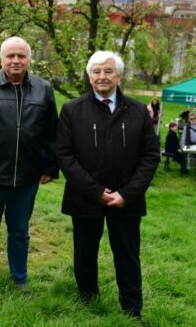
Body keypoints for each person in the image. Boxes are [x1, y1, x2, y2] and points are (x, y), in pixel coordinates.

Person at [56, 51, 159, 319]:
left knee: (128, 256)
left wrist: (127, 194)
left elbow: (150, 156)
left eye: (108, 71)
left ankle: (132, 310)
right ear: (89, 77)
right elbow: (65, 156)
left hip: (127, 200)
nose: (102, 76)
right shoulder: (72, 110)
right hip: (85, 198)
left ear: (119, 76)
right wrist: (96, 191)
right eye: (97, 71)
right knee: (85, 253)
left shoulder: (138, 110)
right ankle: (88, 303)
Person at [0, 36, 58, 293]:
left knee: (19, 232)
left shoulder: (43, 88)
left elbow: (52, 131)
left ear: (29, 59)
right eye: (10, 56)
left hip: (27, 176)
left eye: (21, 56)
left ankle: (19, 279)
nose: (16, 61)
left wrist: (50, 167)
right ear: (2, 58)